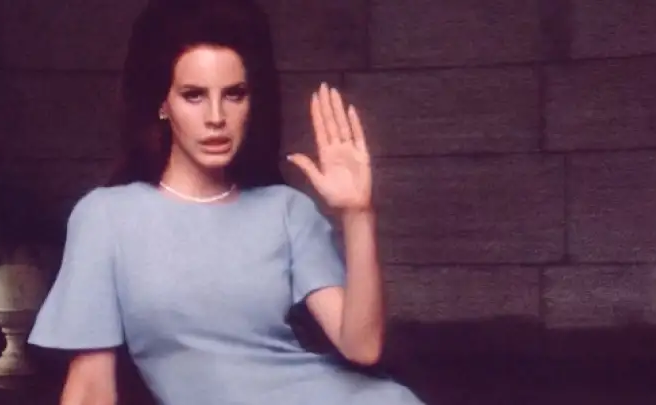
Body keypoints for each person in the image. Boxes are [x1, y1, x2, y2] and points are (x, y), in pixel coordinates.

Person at [27, 1, 426, 404]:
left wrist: (358, 213)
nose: (216, 116)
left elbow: (362, 346)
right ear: (163, 104)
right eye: (194, 95)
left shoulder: (286, 211)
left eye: (234, 94)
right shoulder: (106, 217)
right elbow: (91, 386)